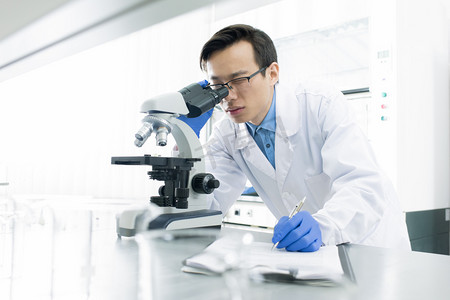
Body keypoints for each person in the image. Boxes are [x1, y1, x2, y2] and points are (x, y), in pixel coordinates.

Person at [185, 24, 411, 252]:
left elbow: (363, 186)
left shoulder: (320, 104)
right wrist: (185, 139)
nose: (228, 96)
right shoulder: (226, 135)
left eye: (240, 80)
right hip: (313, 257)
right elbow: (206, 208)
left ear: (272, 73)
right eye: (218, 86)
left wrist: (323, 226)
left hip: (372, 245)